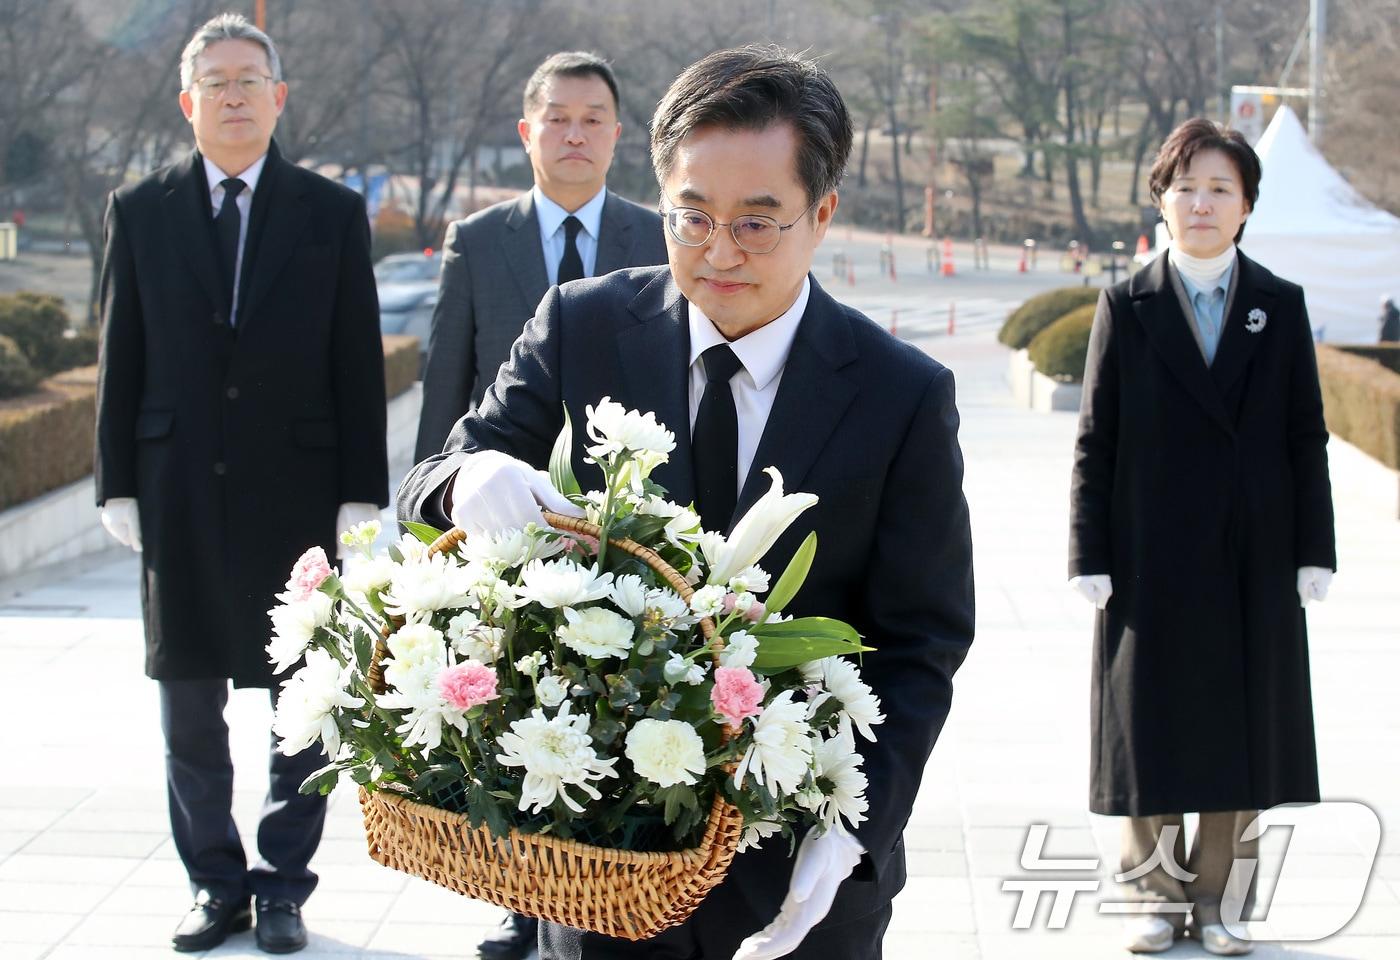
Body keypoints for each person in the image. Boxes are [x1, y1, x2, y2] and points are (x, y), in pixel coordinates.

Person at [398, 46, 974, 960]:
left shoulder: (901, 394)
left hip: (800, 867)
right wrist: (468, 481)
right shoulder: (581, 327)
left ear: (822, 214)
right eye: (692, 217)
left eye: (757, 224)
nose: (719, 252)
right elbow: (432, 478)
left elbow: (922, 641)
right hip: (601, 863)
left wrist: (852, 828)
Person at [95, 13, 388, 954]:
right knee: (186, 699)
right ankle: (214, 883)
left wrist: (361, 490)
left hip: (295, 489)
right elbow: (119, 353)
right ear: (187, 102)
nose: (232, 96)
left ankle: (283, 886)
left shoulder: (329, 211)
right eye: (214, 82)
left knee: (303, 699)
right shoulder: (140, 209)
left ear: (279, 96)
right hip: (174, 483)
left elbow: (356, 356)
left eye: (248, 80)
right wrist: (115, 483)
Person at [1069, 118, 1336, 956]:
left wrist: (1315, 550)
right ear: (1162, 201)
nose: (1202, 203)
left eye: (1220, 188)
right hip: (1149, 551)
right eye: (1185, 187)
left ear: (1247, 204)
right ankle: (1151, 894)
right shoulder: (1127, 303)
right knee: (1146, 721)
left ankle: (1224, 903)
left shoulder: (1278, 305)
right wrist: (1088, 554)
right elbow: (1096, 438)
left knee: (1239, 727)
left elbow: (1305, 436)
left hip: (1253, 553)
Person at [413, 51, 667, 466]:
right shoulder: (475, 242)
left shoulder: (659, 238)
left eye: (593, 120)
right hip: (504, 478)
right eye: (557, 119)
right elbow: (445, 389)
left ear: (616, 134)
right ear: (526, 133)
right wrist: (430, 494)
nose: (575, 136)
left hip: (628, 482)